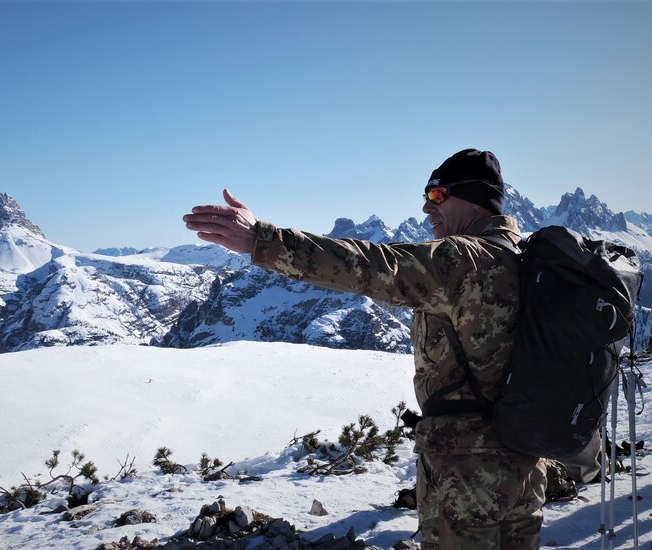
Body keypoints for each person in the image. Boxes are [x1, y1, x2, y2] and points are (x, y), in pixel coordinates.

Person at [182, 148, 547, 550]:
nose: (427, 209)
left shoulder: (464, 259)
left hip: (468, 471)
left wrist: (261, 240)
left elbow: (371, 266)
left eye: (438, 195)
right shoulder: (527, 258)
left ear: (474, 198)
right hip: (526, 463)